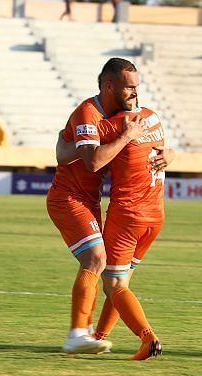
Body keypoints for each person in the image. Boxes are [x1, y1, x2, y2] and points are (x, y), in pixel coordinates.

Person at [46, 58, 147, 355]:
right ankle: (76, 333)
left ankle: (85, 333)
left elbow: (63, 151)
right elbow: (92, 163)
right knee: (95, 259)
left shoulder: (119, 114)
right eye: (129, 86)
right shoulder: (89, 113)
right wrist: (127, 136)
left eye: (137, 86)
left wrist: (169, 153)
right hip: (68, 198)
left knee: (100, 267)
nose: (135, 92)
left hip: (90, 201)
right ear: (109, 86)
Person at [88, 107, 174, 360]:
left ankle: (148, 338)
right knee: (121, 282)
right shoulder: (152, 116)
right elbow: (162, 151)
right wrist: (171, 154)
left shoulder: (112, 126)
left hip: (127, 216)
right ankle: (99, 338)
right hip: (154, 215)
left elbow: (92, 160)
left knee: (113, 283)